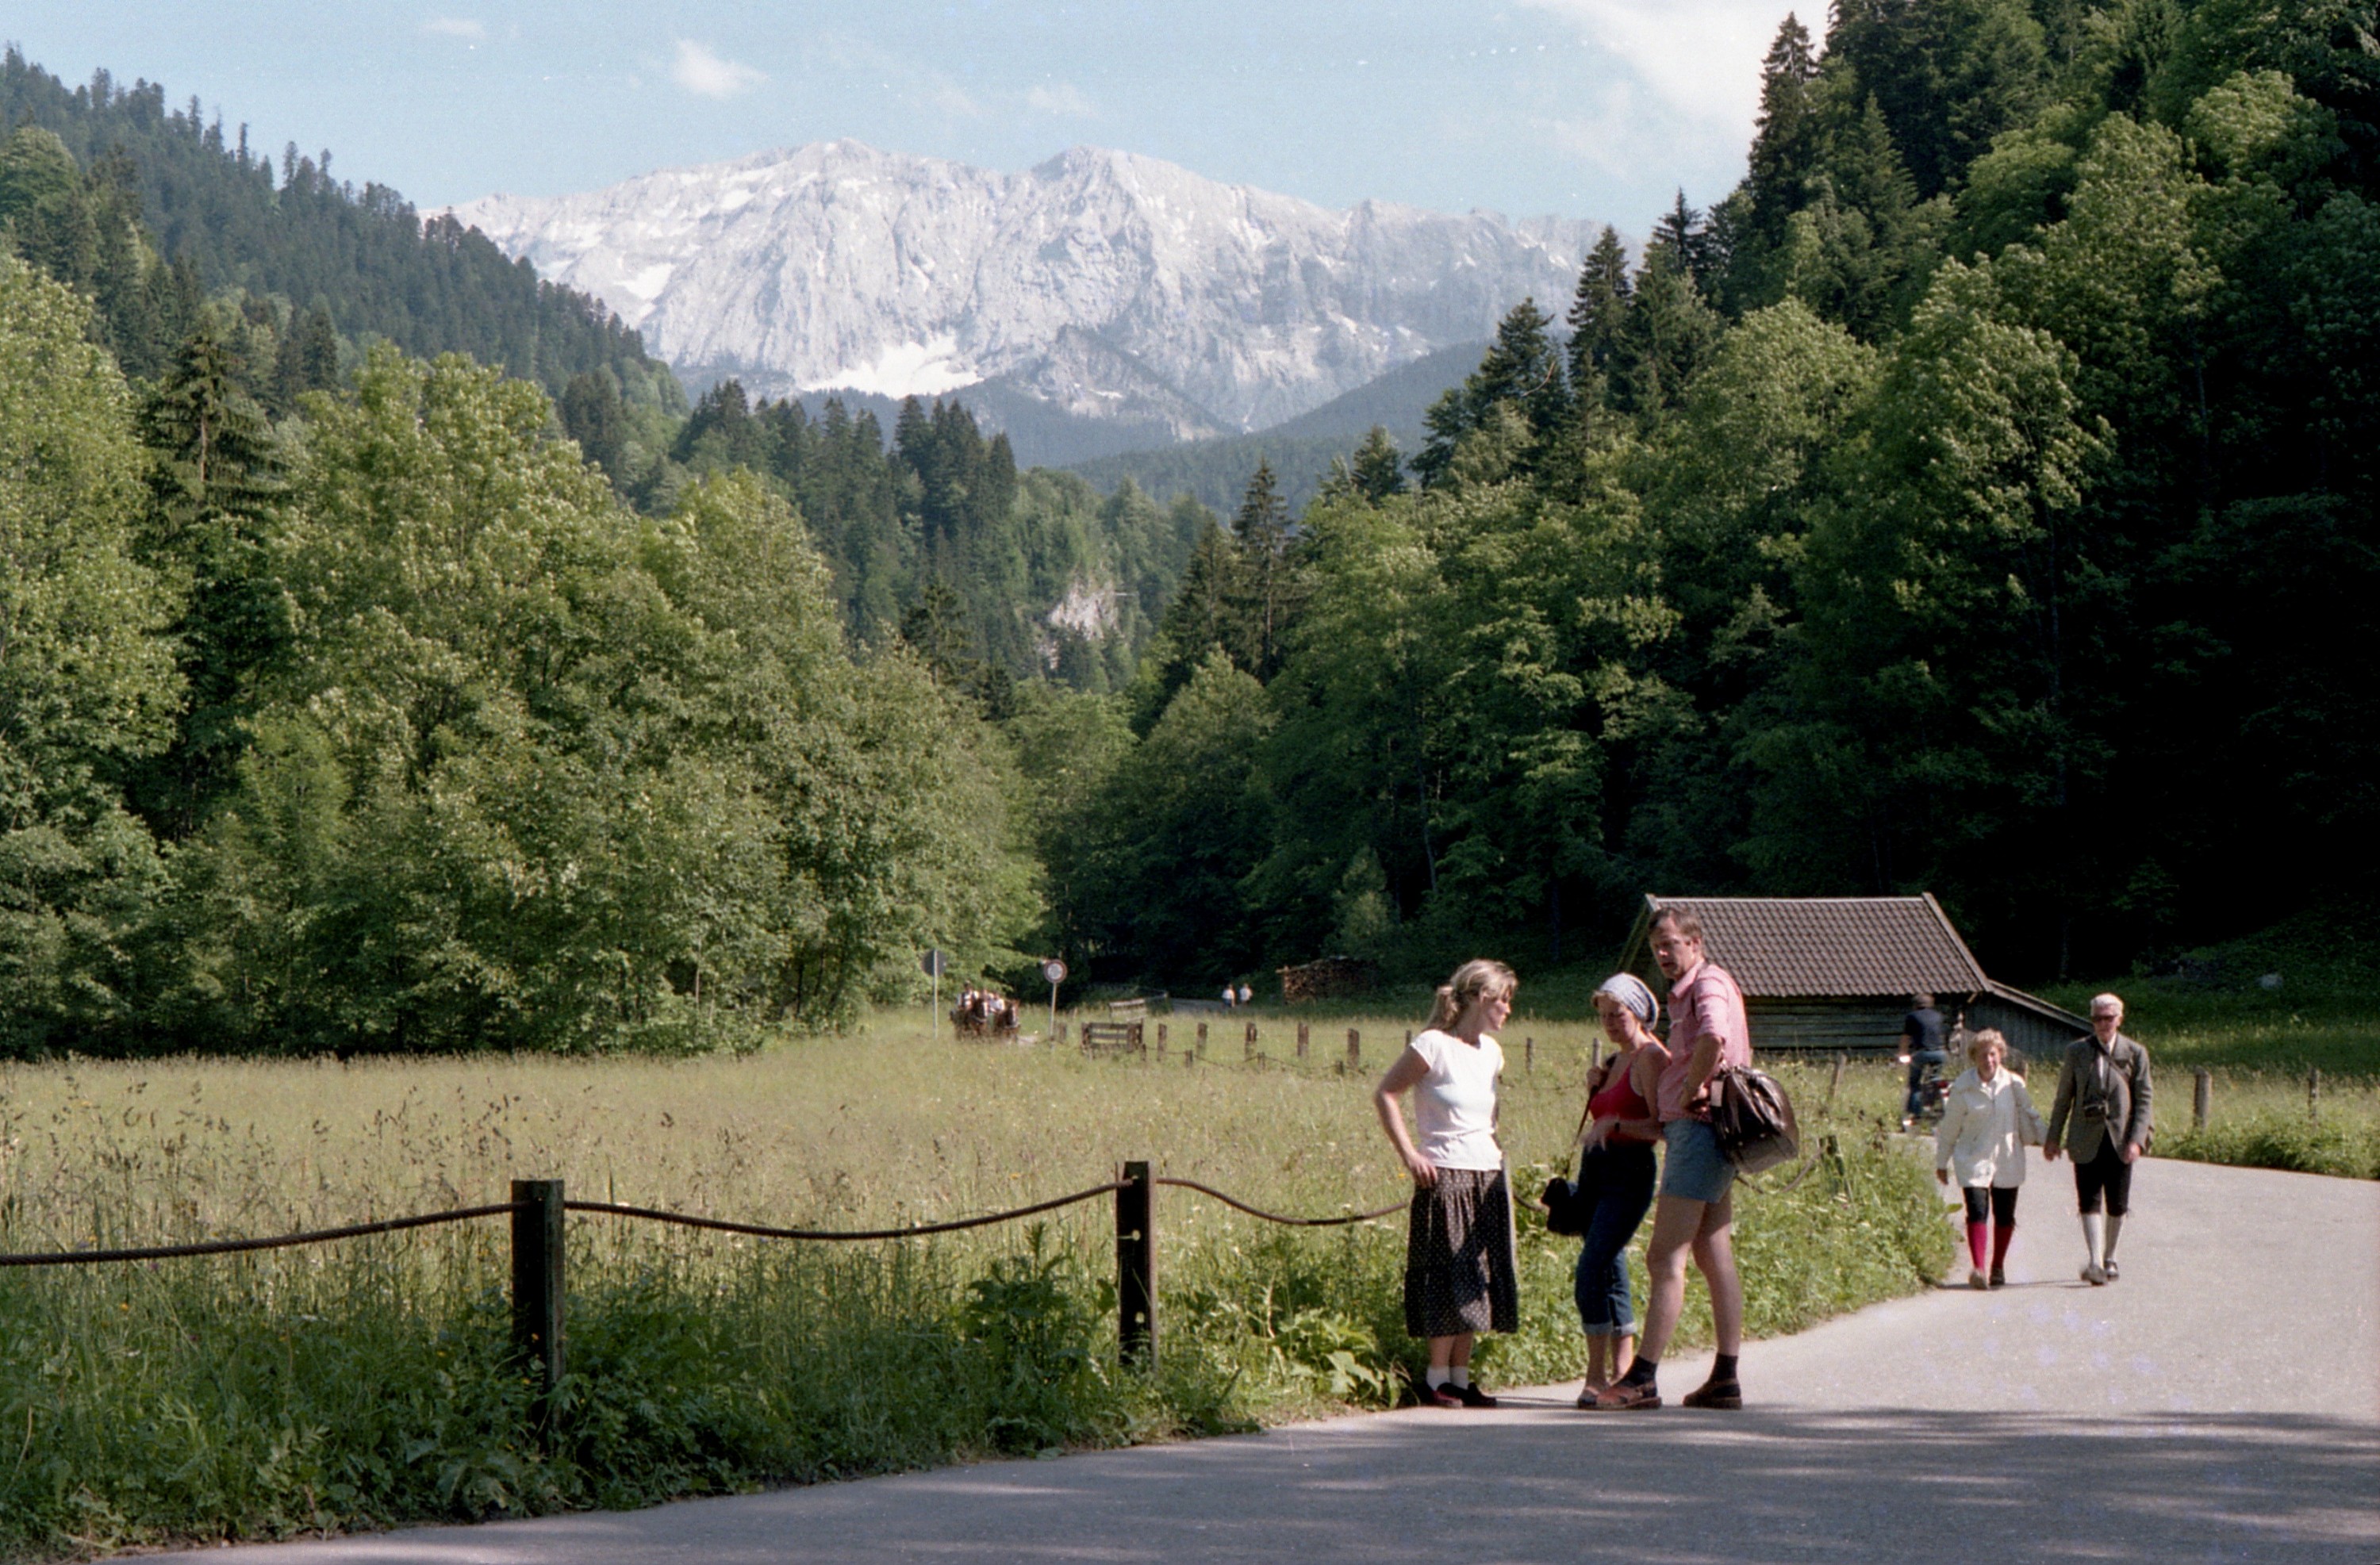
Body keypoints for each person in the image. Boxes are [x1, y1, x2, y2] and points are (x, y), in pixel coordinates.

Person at [1583, 908, 1749, 1412]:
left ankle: (1642, 1379)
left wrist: (1695, 1084)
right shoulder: (1695, 989)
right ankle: (1725, 1378)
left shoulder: (1707, 984)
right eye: (1658, 946)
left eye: (1671, 944)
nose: (1662, 954)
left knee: (1664, 1257)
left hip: (1699, 1130)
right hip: (1713, 1131)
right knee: (1713, 1254)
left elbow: (1714, 1037)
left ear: (1695, 943)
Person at [1373, 958, 1520, 1408]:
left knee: (1477, 1275)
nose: (1508, 1010)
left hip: (1487, 1173)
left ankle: (1460, 1377)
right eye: (1503, 1000)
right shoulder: (1433, 1045)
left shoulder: (1491, 1052)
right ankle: (1435, 1377)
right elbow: (1386, 1094)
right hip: (1444, 1172)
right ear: (1479, 998)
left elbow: (1489, 1112)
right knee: (1445, 1275)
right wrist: (1410, 1155)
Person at [1572, 972, 1669, 1402]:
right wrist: (1596, 1090)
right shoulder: (1615, 1061)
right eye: (1605, 1016)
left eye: (1619, 1014)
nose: (1611, 1023)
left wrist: (1616, 1123)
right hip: (1597, 1170)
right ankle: (1621, 1370)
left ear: (1640, 1013)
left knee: (1591, 1267)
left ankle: (1595, 1375)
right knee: (1610, 1265)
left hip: (1630, 1171)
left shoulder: (1650, 1058)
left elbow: (1663, 1127)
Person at [2044, 992, 2153, 1285]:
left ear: (2120, 1019)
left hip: (2120, 1138)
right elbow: (2064, 1098)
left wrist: (2137, 1140)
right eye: (2097, 1018)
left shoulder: (2136, 1053)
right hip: (2085, 1135)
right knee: (2088, 1199)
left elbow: (2144, 1100)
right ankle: (2095, 1261)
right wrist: (2053, 1137)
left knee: (2118, 1202)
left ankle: (2110, 1257)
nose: (2103, 1024)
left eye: (2109, 1018)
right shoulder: (2076, 1052)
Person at [1934, 1028, 2045, 1289]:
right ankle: (1979, 1269)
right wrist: (1941, 1162)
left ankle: (1997, 1266)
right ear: (1974, 1057)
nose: (1989, 1060)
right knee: (1977, 1211)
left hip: (2007, 1156)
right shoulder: (1963, 1087)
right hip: (1973, 1158)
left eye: (1993, 1054)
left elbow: (2031, 1113)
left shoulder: (2013, 1084)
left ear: (2001, 1055)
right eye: (1983, 1055)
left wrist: (2049, 1142)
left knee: (2005, 1216)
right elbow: (1950, 1128)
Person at [1900, 992, 1948, 1129]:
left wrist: (1903, 1054)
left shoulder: (1912, 1016)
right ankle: (1934, 1109)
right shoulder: (1938, 1016)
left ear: (1916, 1005)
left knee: (1915, 1083)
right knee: (1934, 1081)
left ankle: (1915, 1115)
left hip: (1922, 1053)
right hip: (1940, 1053)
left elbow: (1906, 1037)